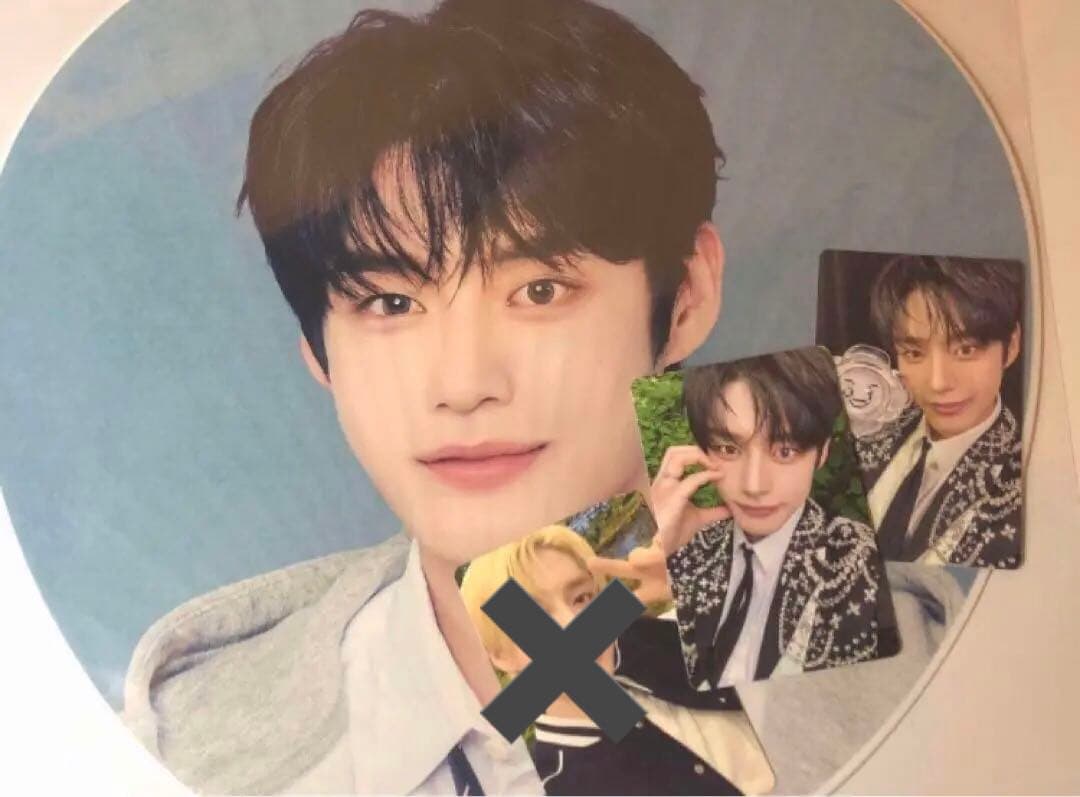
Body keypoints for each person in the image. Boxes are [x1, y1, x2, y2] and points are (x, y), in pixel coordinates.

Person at [119, 0, 725, 793]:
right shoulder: (182, 750)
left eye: (540, 290)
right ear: (319, 352)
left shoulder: (868, 662)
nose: (464, 385)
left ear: (686, 297)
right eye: (391, 303)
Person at [595, 348, 896, 691]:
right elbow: (566, 671)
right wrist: (663, 543)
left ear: (822, 453)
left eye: (785, 451)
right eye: (728, 449)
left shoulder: (859, 558)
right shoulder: (692, 549)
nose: (754, 485)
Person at [459, 525, 774, 796]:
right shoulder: (557, 785)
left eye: (581, 598)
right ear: (500, 656)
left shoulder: (651, 640)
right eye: (532, 621)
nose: (573, 623)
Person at [857, 254, 1023, 568]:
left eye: (965, 350)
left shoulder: (1028, 481)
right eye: (913, 353)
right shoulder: (871, 431)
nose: (938, 383)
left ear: (1011, 345)